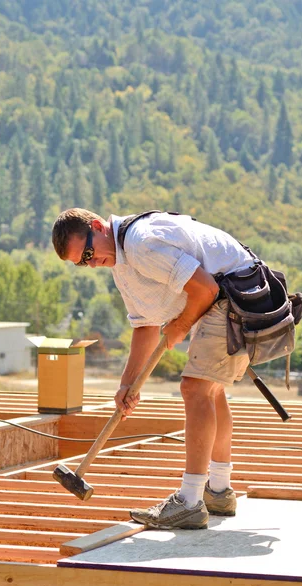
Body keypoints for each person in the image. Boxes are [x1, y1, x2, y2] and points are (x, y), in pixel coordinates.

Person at [52, 208, 253, 530]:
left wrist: (181, 325)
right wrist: (128, 386)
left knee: (195, 388)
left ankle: (189, 502)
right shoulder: (122, 263)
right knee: (211, 391)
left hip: (241, 297)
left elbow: (205, 290)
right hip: (227, 300)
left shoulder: (142, 243)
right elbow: (145, 326)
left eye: (88, 253)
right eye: (82, 262)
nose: (90, 263)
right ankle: (218, 491)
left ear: (98, 226)